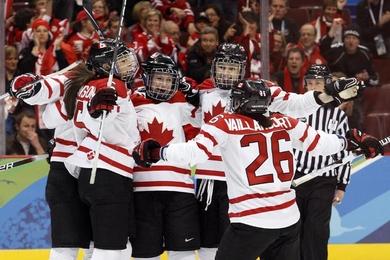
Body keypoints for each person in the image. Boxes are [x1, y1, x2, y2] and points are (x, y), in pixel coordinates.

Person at [132, 79, 383, 260]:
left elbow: (193, 154)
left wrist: (157, 152)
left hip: (251, 222)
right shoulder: (284, 121)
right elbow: (321, 143)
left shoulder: (225, 123)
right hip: (288, 220)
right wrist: (351, 141)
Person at [182, 42, 366, 260]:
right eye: (222, 66)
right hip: (212, 178)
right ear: (213, 67)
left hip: (250, 189)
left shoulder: (261, 90)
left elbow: (296, 104)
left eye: (233, 68)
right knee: (212, 241)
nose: (227, 73)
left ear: (243, 69)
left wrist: (328, 95)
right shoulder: (202, 91)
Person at [10, 39, 140, 260]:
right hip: (81, 166)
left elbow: (49, 118)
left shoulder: (114, 86)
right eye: (121, 62)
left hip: (85, 165)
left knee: (85, 243)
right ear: (106, 64)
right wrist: (29, 88)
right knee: (84, 245)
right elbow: (46, 96)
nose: (128, 67)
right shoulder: (76, 80)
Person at [130, 53, 200, 260]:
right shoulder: (132, 102)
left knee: (183, 253)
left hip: (180, 190)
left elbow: (199, 137)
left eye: (168, 80)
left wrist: (193, 93)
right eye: (159, 78)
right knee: (145, 254)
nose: (163, 84)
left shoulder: (182, 104)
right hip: (142, 190)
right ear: (147, 78)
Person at [293, 64, 352, 260]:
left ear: (328, 85)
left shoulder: (338, 115)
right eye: (310, 83)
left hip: (324, 180)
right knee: (293, 229)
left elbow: (344, 152)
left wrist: (342, 185)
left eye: (318, 83)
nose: (314, 87)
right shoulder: (295, 110)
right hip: (296, 179)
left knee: (316, 231)